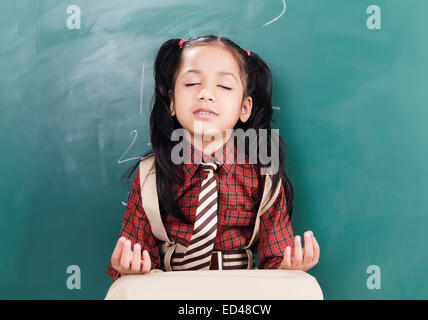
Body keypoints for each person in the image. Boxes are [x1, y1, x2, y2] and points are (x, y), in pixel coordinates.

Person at [106, 35, 320, 282]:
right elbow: (135, 253)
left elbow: (275, 255)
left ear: (245, 108)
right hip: (172, 289)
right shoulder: (150, 174)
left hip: (241, 291)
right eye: (192, 83)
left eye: (225, 86)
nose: (206, 93)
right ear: (172, 102)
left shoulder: (264, 173)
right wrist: (129, 266)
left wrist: (288, 266)